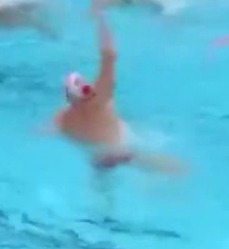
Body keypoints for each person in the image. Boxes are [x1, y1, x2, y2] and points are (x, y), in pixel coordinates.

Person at [50, 11, 183, 178]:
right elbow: (109, 55)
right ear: (87, 91)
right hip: (123, 152)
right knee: (179, 169)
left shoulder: (62, 117)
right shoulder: (98, 102)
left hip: (97, 159)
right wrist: (101, 19)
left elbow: (47, 131)